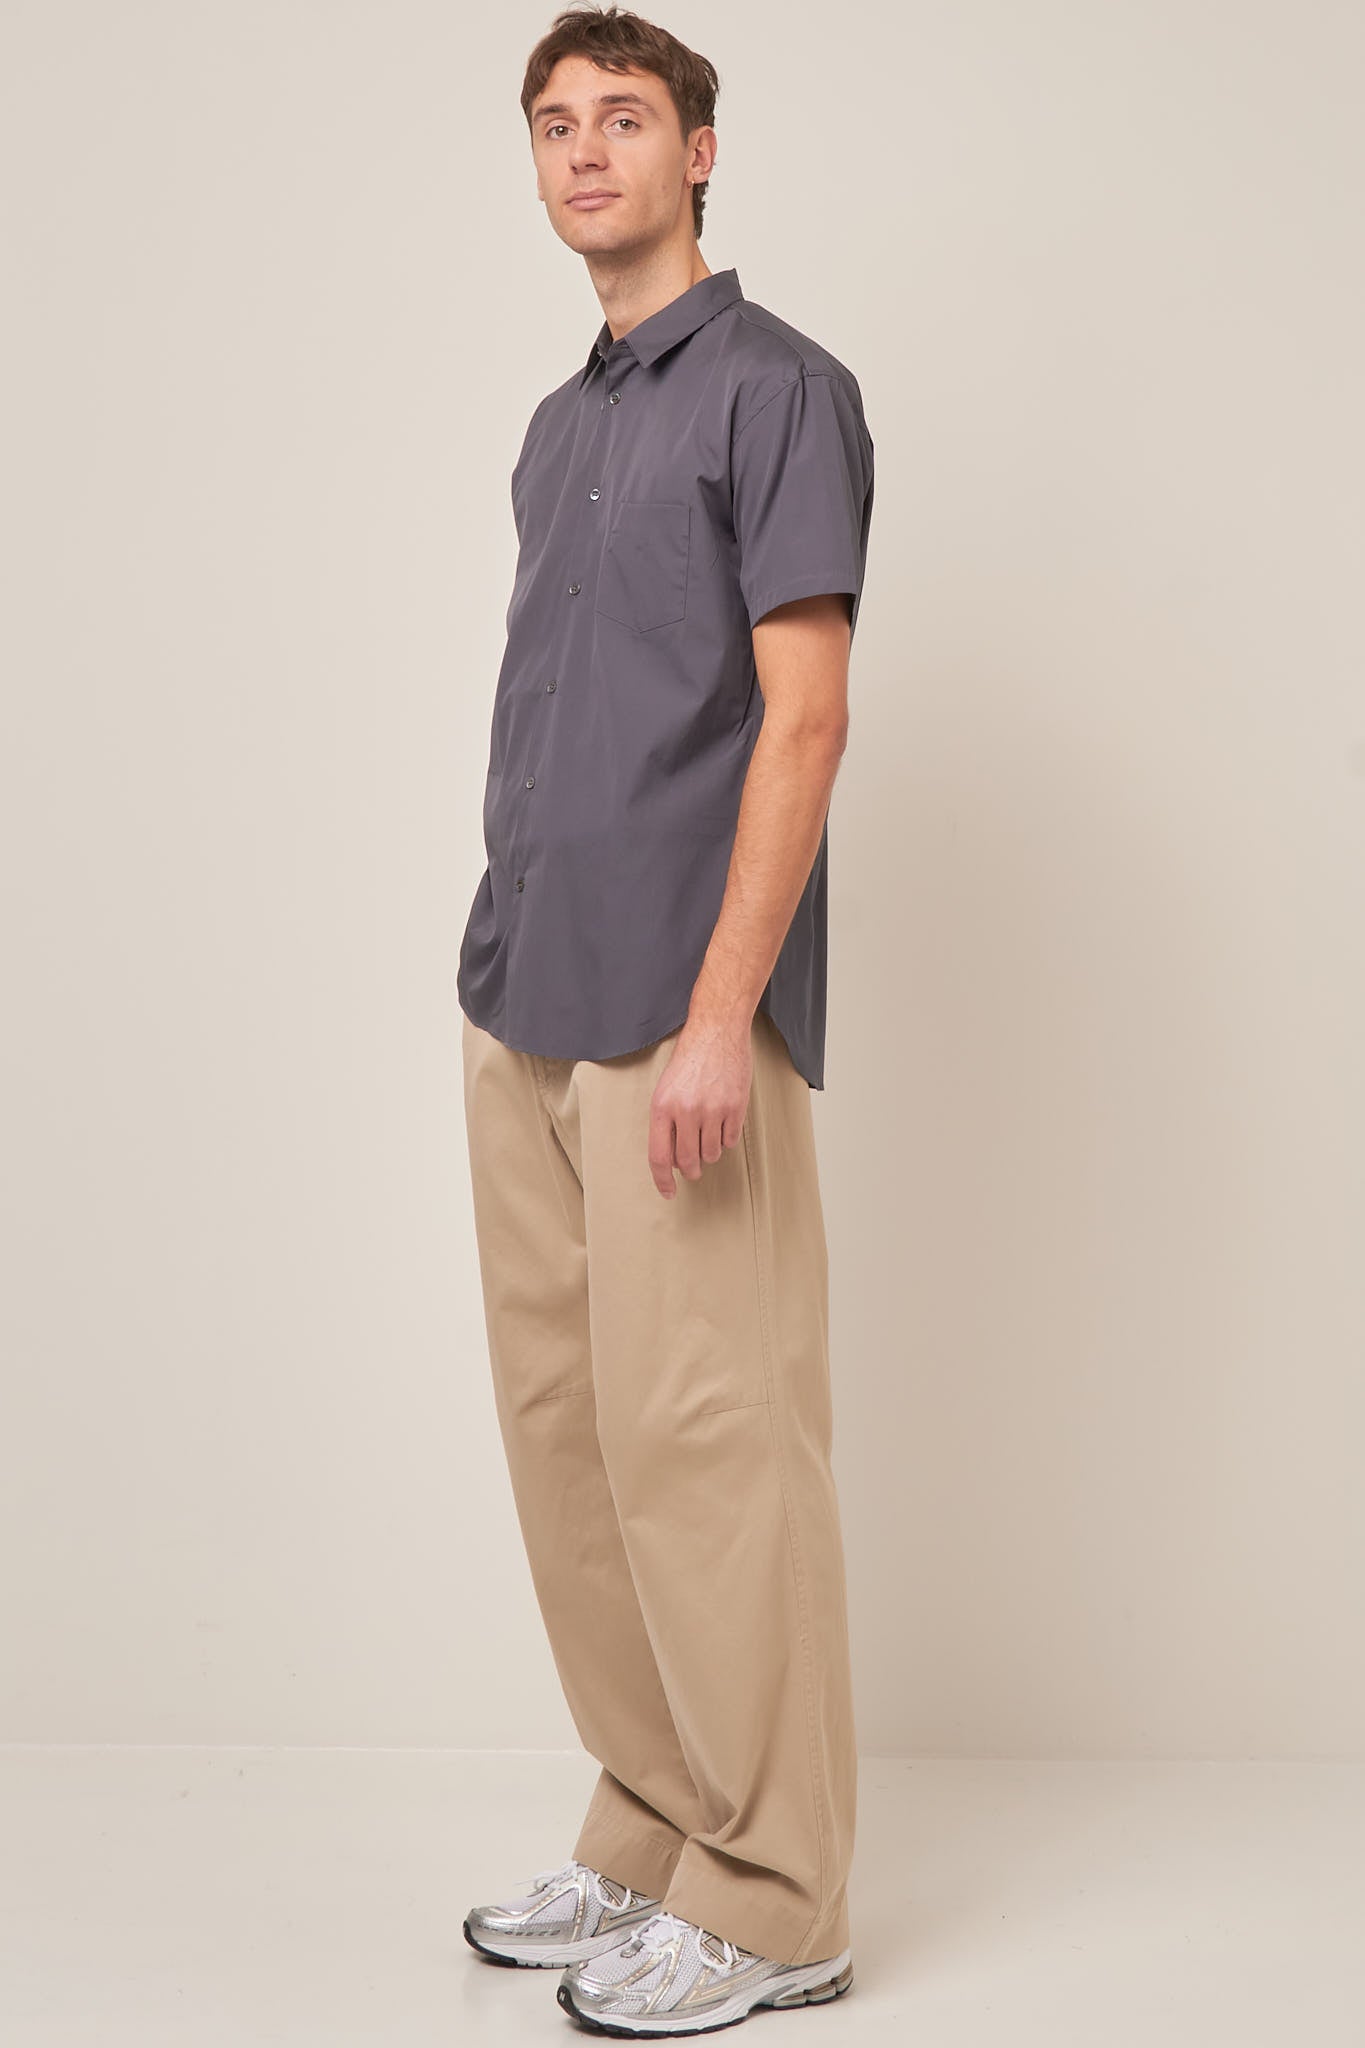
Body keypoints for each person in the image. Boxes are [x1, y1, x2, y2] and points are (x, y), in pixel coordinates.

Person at [457, 5, 875, 2033]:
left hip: (673, 1013)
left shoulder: (779, 390)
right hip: (523, 996)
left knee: (708, 1446)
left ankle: (780, 1894)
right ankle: (651, 1827)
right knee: (573, 1446)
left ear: (696, 152)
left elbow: (802, 719)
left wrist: (723, 1015)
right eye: (555, 122)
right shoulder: (561, 427)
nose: (584, 151)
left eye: (621, 118)